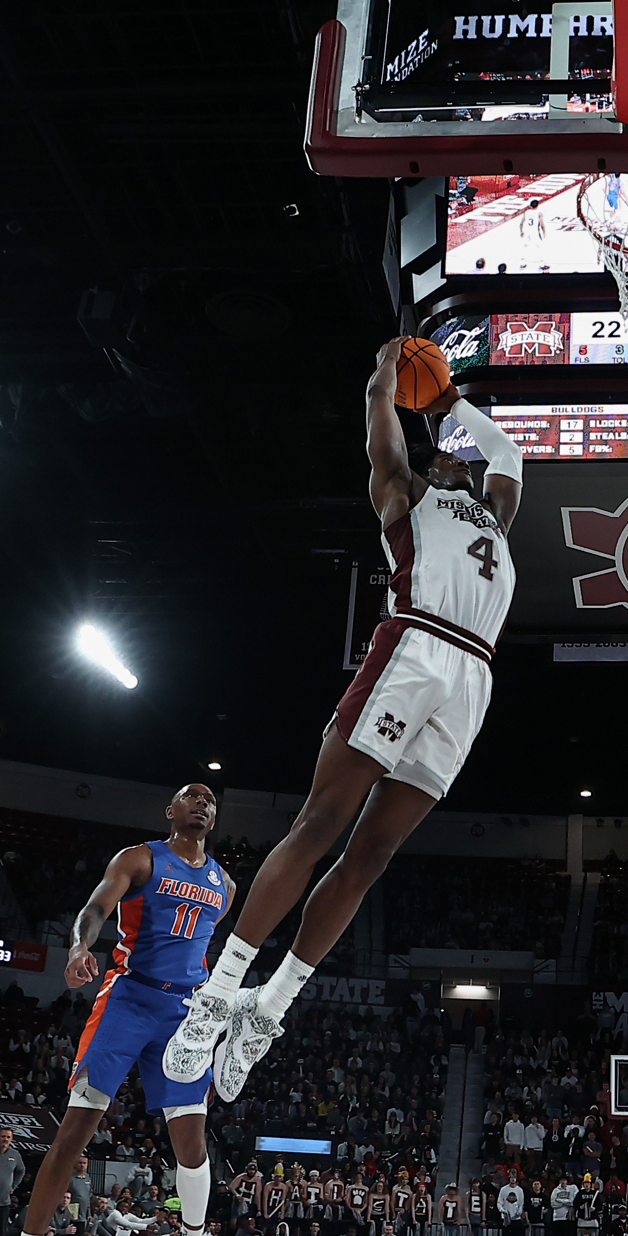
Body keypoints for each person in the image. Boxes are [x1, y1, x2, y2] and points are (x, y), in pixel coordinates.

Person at [164, 339, 523, 1100]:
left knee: (373, 855)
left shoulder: (494, 511)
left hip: (472, 677)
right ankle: (220, 993)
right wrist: (386, 379)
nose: (458, 457)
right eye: (444, 452)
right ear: (427, 469)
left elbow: (505, 448)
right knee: (320, 824)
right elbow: (379, 425)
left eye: (460, 455)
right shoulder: (404, 493)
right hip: (415, 646)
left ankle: (269, 1007)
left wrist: (449, 402)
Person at [0, 784, 232, 1236]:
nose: (202, 803)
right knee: (75, 1130)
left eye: (210, 800)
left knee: (192, 1144)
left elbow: (204, 953)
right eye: (191, 797)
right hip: (127, 998)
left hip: (185, 1013)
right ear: (171, 811)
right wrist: (82, 945)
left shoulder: (225, 884)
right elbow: (96, 906)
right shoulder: (140, 858)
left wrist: (213, 1027)